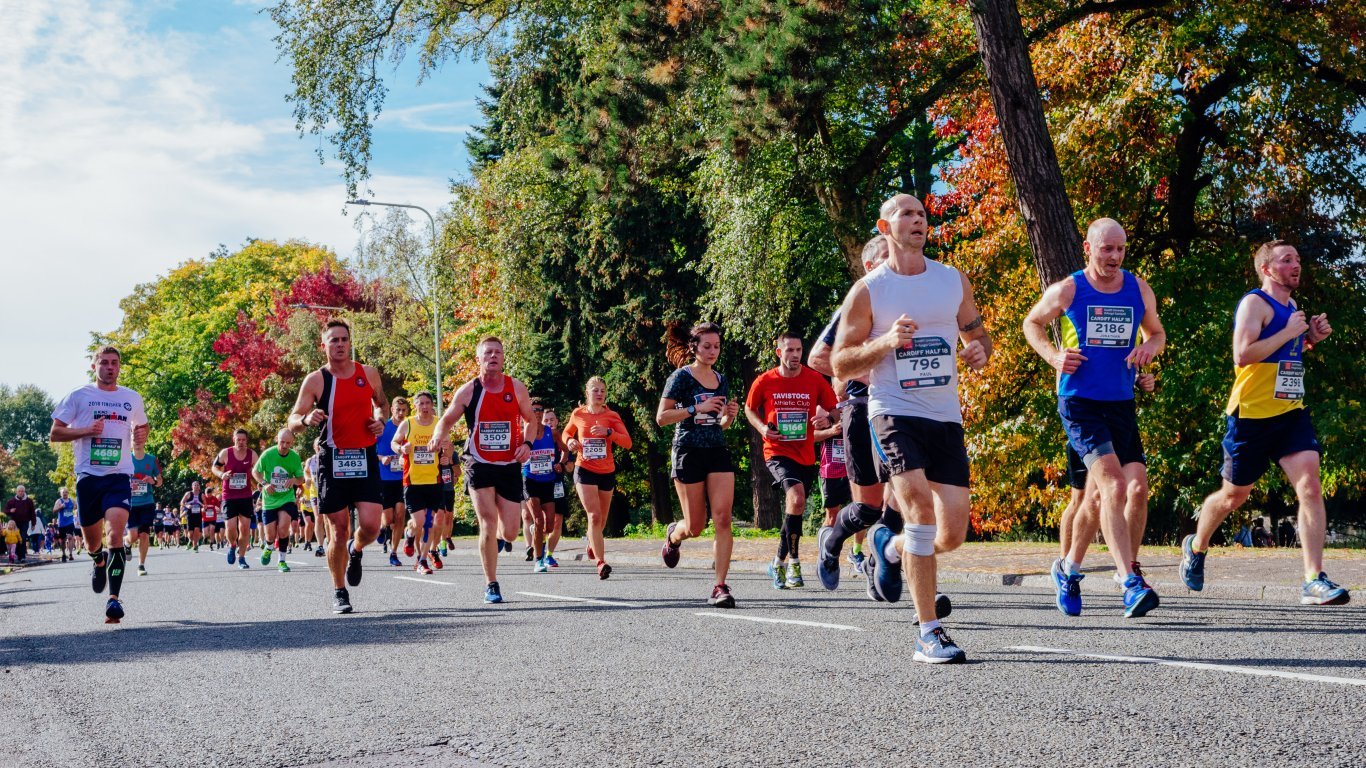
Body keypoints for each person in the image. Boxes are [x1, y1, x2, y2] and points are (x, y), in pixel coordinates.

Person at [831, 193, 992, 664]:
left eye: (922, 214)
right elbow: (840, 360)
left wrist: (980, 351)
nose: (917, 220)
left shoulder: (950, 280)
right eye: (906, 214)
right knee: (918, 506)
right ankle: (929, 632)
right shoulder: (869, 290)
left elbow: (977, 335)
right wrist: (885, 341)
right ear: (885, 227)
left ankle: (891, 545)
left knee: (954, 532)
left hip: (944, 414)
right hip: (893, 411)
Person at [1181, 240, 1349, 606]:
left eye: (1298, 259)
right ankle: (1196, 546)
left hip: (1290, 413)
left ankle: (1312, 578)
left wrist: (1309, 339)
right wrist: (1291, 331)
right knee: (1233, 497)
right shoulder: (1254, 303)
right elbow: (1243, 355)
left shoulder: (1291, 308)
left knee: (1310, 486)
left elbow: (1279, 354)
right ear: (1267, 269)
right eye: (1287, 259)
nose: (1296, 264)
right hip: (1251, 417)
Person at [1023, 218, 1166, 618]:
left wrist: (1147, 352)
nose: (1115, 257)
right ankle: (1129, 582)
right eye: (1106, 249)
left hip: (1120, 401)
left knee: (1131, 489)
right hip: (1079, 402)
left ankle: (1068, 568)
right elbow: (1031, 323)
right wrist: (1052, 356)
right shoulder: (1069, 288)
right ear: (1089, 249)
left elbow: (1155, 333)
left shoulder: (1138, 289)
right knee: (1113, 485)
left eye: (1120, 249)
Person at [810, 236, 900, 596]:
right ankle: (831, 544)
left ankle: (883, 566)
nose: (891, 264)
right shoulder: (857, 302)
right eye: (883, 258)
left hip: (901, 410)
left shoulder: (907, 302)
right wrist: (866, 375)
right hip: (862, 409)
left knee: (907, 497)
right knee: (868, 507)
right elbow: (819, 357)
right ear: (867, 266)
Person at [287, 318, 390, 614]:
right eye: (334, 340)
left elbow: (381, 404)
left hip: (365, 456)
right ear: (324, 346)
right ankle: (339, 591)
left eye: (344, 339)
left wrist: (380, 422)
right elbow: (293, 419)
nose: (341, 344)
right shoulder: (316, 380)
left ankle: (356, 552)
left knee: (371, 526)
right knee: (338, 530)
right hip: (332, 459)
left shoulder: (368, 374)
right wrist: (307, 420)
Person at [428, 336, 539, 604]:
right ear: (478, 358)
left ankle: (498, 542)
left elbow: (531, 420)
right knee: (487, 522)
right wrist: (437, 437)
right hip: (478, 462)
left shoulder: (517, 388)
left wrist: (527, 442)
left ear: (503, 358)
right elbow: (446, 420)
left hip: (509, 464)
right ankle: (491, 584)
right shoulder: (469, 391)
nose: (493, 356)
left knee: (511, 531)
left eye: (498, 352)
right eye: (487, 352)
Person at [49, 345, 150, 623]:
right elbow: (55, 433)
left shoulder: (131, 398)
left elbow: (142, 426)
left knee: (116, 537)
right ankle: (98, 561)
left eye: (114, 363)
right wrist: (86, 430)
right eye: (103, 362)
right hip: (88, 479)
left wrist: (140, 439)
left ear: (119, 366)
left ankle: (114, 601)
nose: (109, 367)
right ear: (94, 367)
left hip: (119, 477)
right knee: (93, 542)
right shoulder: (79, 396)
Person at [657, 322, 742, 607]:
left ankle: (720, 586)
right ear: (694, 347)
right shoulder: (680, 377)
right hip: (688, 451)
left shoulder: (721, 379)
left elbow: (722, 424)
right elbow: (662, 417)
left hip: (716, 450)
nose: (712, 351)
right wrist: (696, 408)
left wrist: (730, 416)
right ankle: (674, 535)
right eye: (706, 346)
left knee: (723, 518)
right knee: (695, 526)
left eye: (716, 346)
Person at [744, 333, 837, 589]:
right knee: (796, 498)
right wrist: (763, 428)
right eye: (789, 350)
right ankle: (795, 562)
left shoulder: (814, 379)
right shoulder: (765, 381)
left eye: (798, 350)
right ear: (779, 353)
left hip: (806, 454)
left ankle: (777, 562)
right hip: (776, 451)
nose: (795, 355)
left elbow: (834, 409)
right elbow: (749, 409)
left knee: (795, 508)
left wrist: (827, 420)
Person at [563, 377, 633, 580]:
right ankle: (601, 563)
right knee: (593, 516)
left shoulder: (612, 416)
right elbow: (567, 433)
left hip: (606, 472)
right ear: (587, 393)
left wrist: (609, 432)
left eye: (603, 390)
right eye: (595, 390)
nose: (600, 394)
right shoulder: (578, 414)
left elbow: (627, 442)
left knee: (601, 520)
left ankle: (592, 544)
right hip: (584, 469)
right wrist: (570, 443)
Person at [392, 392, 444, 575]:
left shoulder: (439, 423)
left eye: (427, 403)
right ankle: (410, 534)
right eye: (421, 403)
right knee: (419, 522)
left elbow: (448, 445)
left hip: (433, 480)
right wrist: (401, 448)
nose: (424, 406)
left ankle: (422, 560)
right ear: (415, 406)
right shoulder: (408, 424)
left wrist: (444, 452)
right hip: (413, 481)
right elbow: (394, 443)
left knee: (429, 523)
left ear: (432, 405)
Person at [523, 401, 570, 571]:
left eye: (539, 410)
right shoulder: (524, 434)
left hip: (548, 480)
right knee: (538, 519)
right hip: (530, 480)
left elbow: (565, 450)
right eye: (533, 409)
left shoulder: (553, 433)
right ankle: (538, 560)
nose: (536, 412)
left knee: (549, 525)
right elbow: (514, 453)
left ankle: (537, 530)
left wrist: (560, 463)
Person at [253, 428, 305, 573]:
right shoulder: (268, 454)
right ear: (277, 439)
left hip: (286, 498)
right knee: (270, 535)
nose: (284, 446)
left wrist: (294, 480)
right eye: (282, 442)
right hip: (269, 500)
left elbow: (301, 478)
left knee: (283, 529)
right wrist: (265, 483)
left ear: (292, 442)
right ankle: (269, 547)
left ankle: (282, 561)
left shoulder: (294, 457)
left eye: (288, 443)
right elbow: (255, 471)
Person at [213, 428, 259, 569]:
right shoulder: (225, 453)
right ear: (234, 439)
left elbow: (259, 470)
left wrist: (262, 481)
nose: (241, 442)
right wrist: (222, 475)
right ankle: (233, 545)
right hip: (229, 496)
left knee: (245, 529)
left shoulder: (252, 454)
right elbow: (214, 467)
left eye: (243, 440)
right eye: (238, 439)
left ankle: (242, 558)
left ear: (247, 441)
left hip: (245, 496)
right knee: (230, 527)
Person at [377, 396, 410, 567]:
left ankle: (394, 552)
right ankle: (383, 529)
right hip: (384, 478)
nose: (401, 413)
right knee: (388, 518)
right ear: (392, 410)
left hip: (403, 478)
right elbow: (369, 450)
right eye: (398, 410)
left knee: (400, 515)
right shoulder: (383, 427)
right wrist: (381, 458)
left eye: (404, 410)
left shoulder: (408, 427)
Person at [128, 438, 163, 576]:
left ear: (144, 442)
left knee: (144, 534)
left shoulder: (152, 459)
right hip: (130, 504)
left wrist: (153, 481)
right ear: (130, 442)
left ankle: (141, 565)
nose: (137, 442)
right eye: (134, 440)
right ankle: (127, 544)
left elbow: (160, 481)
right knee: (133, 535)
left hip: (147, 502)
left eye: (139, 440)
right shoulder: (125, 459)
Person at [4, 485, 36, 562]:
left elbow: (32, 513)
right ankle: (17, 555)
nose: (21, 492)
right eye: (19, 491)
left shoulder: (29, 501)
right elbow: (5, 510)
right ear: (16, 492)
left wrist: (33, 523)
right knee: (15, 539)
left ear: (24, 492)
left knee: (23, 537)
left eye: (22, 491)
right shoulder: (11, 501)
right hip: (14, 523)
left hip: (25, 522)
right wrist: (10, 511)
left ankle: (22, 556)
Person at [179, 481, 207, 553]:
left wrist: (204, 509)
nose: (196, 486)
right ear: (192, 487)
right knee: (190, 533)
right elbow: (182, 502)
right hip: (190, 515)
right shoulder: (188, 494)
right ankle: (190, 541)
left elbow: (205, 505)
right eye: (195, 485)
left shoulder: (202, 495)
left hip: (198, 515)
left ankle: (195, 546)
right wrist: (187, 505)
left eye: (198, 485)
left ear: (199, 487)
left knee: (197, 531)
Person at [52, 487, 78, 562]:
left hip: (70, 522)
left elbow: (76, 507)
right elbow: (54, 510)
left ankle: (70, 554)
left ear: (68, 493)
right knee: (63, 540)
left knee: (70, 537)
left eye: (66, 492)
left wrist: (75, 507)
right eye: (63, 492)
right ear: (61, 494)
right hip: (62, 523)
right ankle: (63, 554)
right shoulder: (59, 501)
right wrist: (60, 507)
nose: (65, 493)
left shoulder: (71, 501)